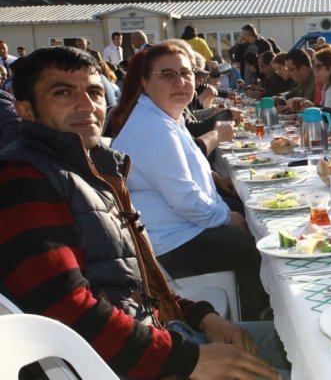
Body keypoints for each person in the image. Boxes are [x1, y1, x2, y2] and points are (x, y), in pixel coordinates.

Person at [0, 46, 285, 379]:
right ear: (26, 110)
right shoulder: (23, 179)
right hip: (128, 364)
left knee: (297, 340)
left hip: (159, 338)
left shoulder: (94, 170)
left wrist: (203, 317)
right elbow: (64, 309)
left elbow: (137, 284)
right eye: (63, 93)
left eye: (94, 92)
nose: (87, 106)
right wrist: (187, 360)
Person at [111, 43, 268, 321]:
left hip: (180, 225)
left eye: (186, 73)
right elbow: (186, 200)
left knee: (254, 211)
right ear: (145, 83)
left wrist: (215, 180)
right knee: (255, 246)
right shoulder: (153, 127)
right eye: (167, 75)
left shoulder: (164, 116)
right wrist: (227, 218)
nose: (180, 82)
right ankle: (253, 323)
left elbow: (186, 165)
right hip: (170, 244)